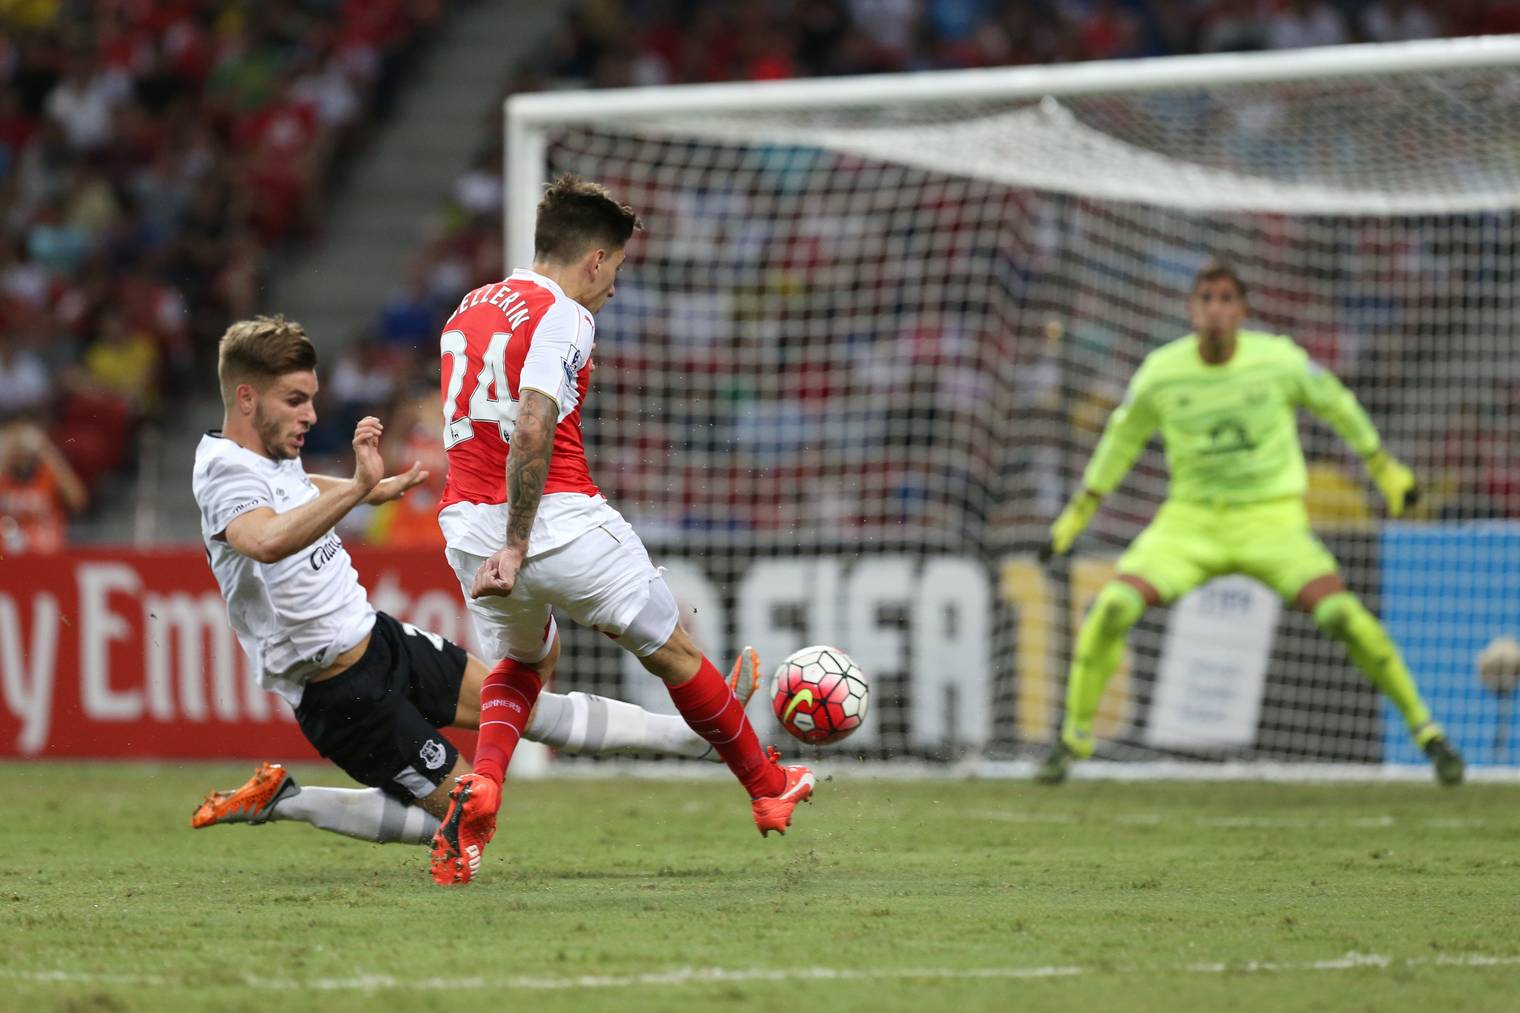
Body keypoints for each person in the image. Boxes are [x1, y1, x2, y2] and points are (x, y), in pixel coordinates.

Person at [190, 315, 763, 849]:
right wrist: (357, 488)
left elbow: (286, 484)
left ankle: (695, 739)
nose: (311, 415)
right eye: (296, 401)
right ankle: (287, 799)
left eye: (312, 398)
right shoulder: (222, 472)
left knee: (521, 706)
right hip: (340, 691)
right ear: (246, 397)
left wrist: (365, 486)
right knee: (471, 821)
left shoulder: (268, 453)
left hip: (382, 639)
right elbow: (263, 540)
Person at [431, 174, 815, 886]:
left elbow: (482, 418)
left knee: (524, 663)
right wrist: (519, 541)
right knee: (672, 651)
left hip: (466, 526)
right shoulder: (567, 315)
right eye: (616, 271)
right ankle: (767, 785)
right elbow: (533, 424)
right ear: (594, 261)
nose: (612, 290)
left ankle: (483, 785)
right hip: (554, 520)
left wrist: (502, 544)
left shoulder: (469, 306)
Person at [1038, 262, 1464, 786]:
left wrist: (1384, 468)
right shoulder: (1160, 373)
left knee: (1344, 618)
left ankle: (1428, 734)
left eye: (1225, 299)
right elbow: (1119, 442)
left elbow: (1337, 403)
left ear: (1241, 310)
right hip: (1190, 523)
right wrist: (1074, 517)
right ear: (1191, 310)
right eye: (1205, 299)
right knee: (1111, 608)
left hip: (1272, 522)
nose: (1215, 308)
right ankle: (1072, 738)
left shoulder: (1279, 361)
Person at [0, 419, 88, 554]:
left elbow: (78, 501)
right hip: (8, 558)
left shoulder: (48, 475)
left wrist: (47, 450)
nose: (21, 456)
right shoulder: (4, 479)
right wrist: (5, 452)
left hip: (48, 554)